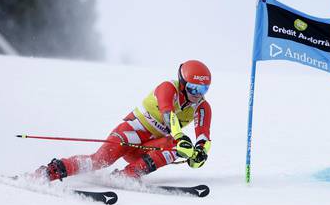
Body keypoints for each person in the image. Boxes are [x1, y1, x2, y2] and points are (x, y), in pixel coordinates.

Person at [35, 60, 212, 181]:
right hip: (131, 133)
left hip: (150, 144)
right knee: (98, 161)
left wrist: (199, 154)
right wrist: (181, 136)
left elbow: (203, 135)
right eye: (193, 88)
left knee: (178, 146)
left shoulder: (202, 106)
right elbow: (168, 114)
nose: (198, 94)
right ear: (182, 83)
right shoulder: (167, 88)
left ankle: (127, 176)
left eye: (203, 89)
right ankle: (51, 171)